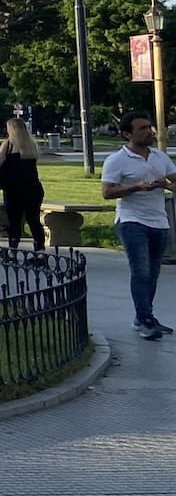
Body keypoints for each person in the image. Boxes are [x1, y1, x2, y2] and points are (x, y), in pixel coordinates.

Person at [101, 112, 176, 339]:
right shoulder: (116, 160)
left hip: (159, 220)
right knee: (141, 271)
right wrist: (135, 187)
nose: (149, 131)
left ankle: (146, 316)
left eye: (149, 127)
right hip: (131, 220)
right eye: (142, 128)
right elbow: (107, 192)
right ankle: (143, 320)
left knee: (153, 273)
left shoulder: (160, 157)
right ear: (127, 134)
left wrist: (166, 184)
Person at [0, 117, 46, 260]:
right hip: (33, 187)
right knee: (33, 219)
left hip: (14, 188)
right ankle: (40, 252)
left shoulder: (8, 144)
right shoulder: (31, 144)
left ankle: (12, 251)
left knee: (14, 220)